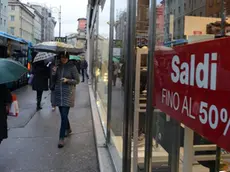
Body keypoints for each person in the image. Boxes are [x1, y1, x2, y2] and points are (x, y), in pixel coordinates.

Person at [52, 52, 79, 148]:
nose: (63, 59)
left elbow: (77, 80)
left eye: (65, 57)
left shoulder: (72, 67)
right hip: (59, 93)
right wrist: (54, 72)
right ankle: (68, 128)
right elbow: (53, 79)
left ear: (68, 58)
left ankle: (61, 138)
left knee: (64, 115)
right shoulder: (57, 66)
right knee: (63, 115)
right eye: (61, 57)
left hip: (68, 93)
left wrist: (67, 80)